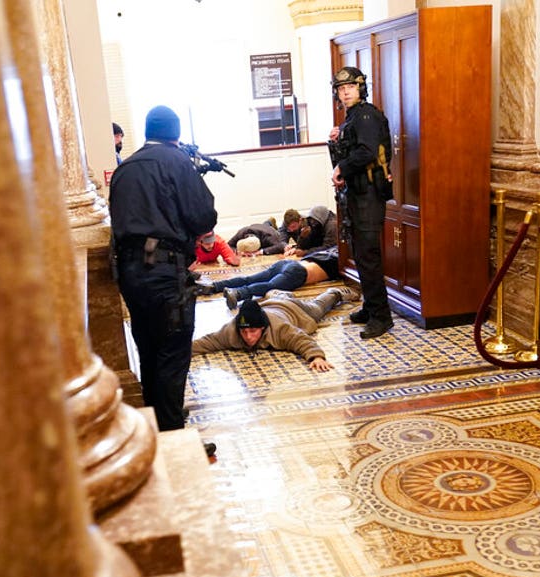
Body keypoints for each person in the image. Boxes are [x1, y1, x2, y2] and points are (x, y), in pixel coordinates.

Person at [110, 105, 217, 456]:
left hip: (130, 274)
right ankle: (174, 445)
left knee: (149, 349)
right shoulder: (176, 162)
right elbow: (202, 214)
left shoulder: (125, 169)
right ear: (175, 134)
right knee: (172, 354)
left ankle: (159, 424)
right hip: (165, 272)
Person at [329, 66, 395, 339]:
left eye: (350, 88)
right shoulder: (352, 118)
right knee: (361, 254)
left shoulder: (366, 115)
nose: (345, 93)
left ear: (361, 88)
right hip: (356, 195)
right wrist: (336, 140)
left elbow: (366, 152)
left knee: (368, 257)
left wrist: (341, 168)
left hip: (368, 195)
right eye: (341, 89)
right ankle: (370, 307)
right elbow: (351, 149)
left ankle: (382, 317)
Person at [192, 287, 360, 372]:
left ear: (263, 328)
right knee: (277, 296)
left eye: (253, 331)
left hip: (294, 310)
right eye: (244, 332)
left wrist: (316, 357)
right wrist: (183, 351)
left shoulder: (280, 329)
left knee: (318, 307)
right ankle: (277, 294)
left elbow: (300, 339)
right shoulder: (231, 330)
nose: (248, 337)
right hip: (270, 306)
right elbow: (208, 341)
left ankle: (335, 292)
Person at [196, 246, 342, 310]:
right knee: (270, 285)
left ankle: (214, 286)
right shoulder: (342, 261)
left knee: (250, 278)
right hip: (298, 272)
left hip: (287, 263)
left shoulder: (328, 252)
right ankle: (239, 293)